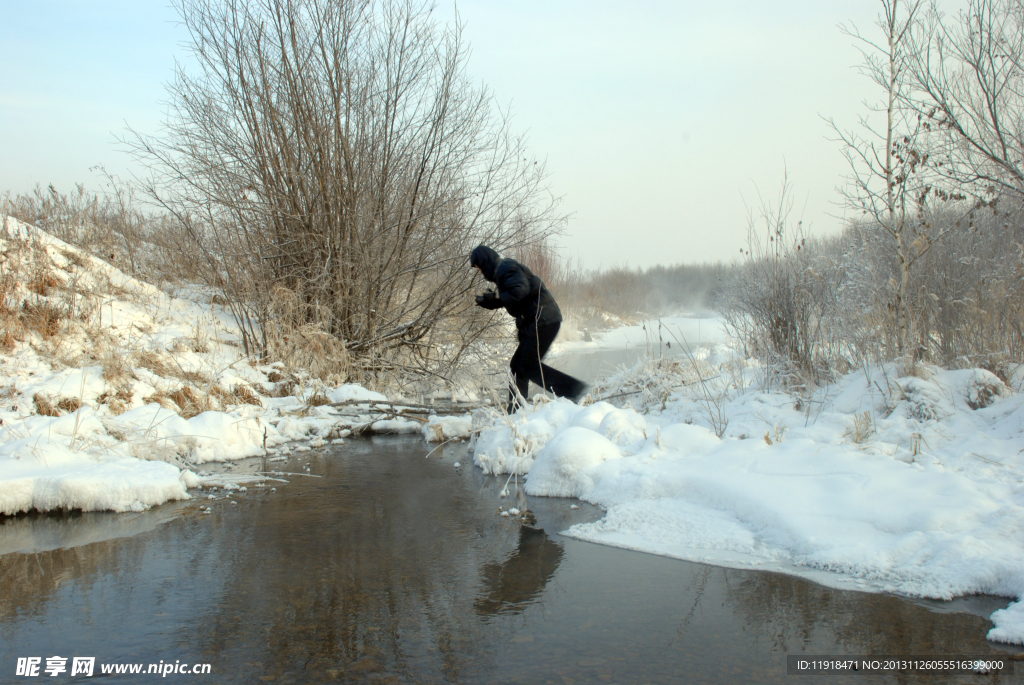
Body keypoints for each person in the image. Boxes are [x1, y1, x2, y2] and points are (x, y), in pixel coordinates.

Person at [470, 245, 587, 412]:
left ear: (485, 261)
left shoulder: (505, 268)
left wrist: (496, 299)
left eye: (480, 267)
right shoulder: (502, 270)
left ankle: (574, 390)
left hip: (544, 319)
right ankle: (517, 411)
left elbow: (520, 290)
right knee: (519, 366)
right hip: (543, 320)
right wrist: (494, 302)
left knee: (524, 365)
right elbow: (519, 298)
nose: (481, 272)